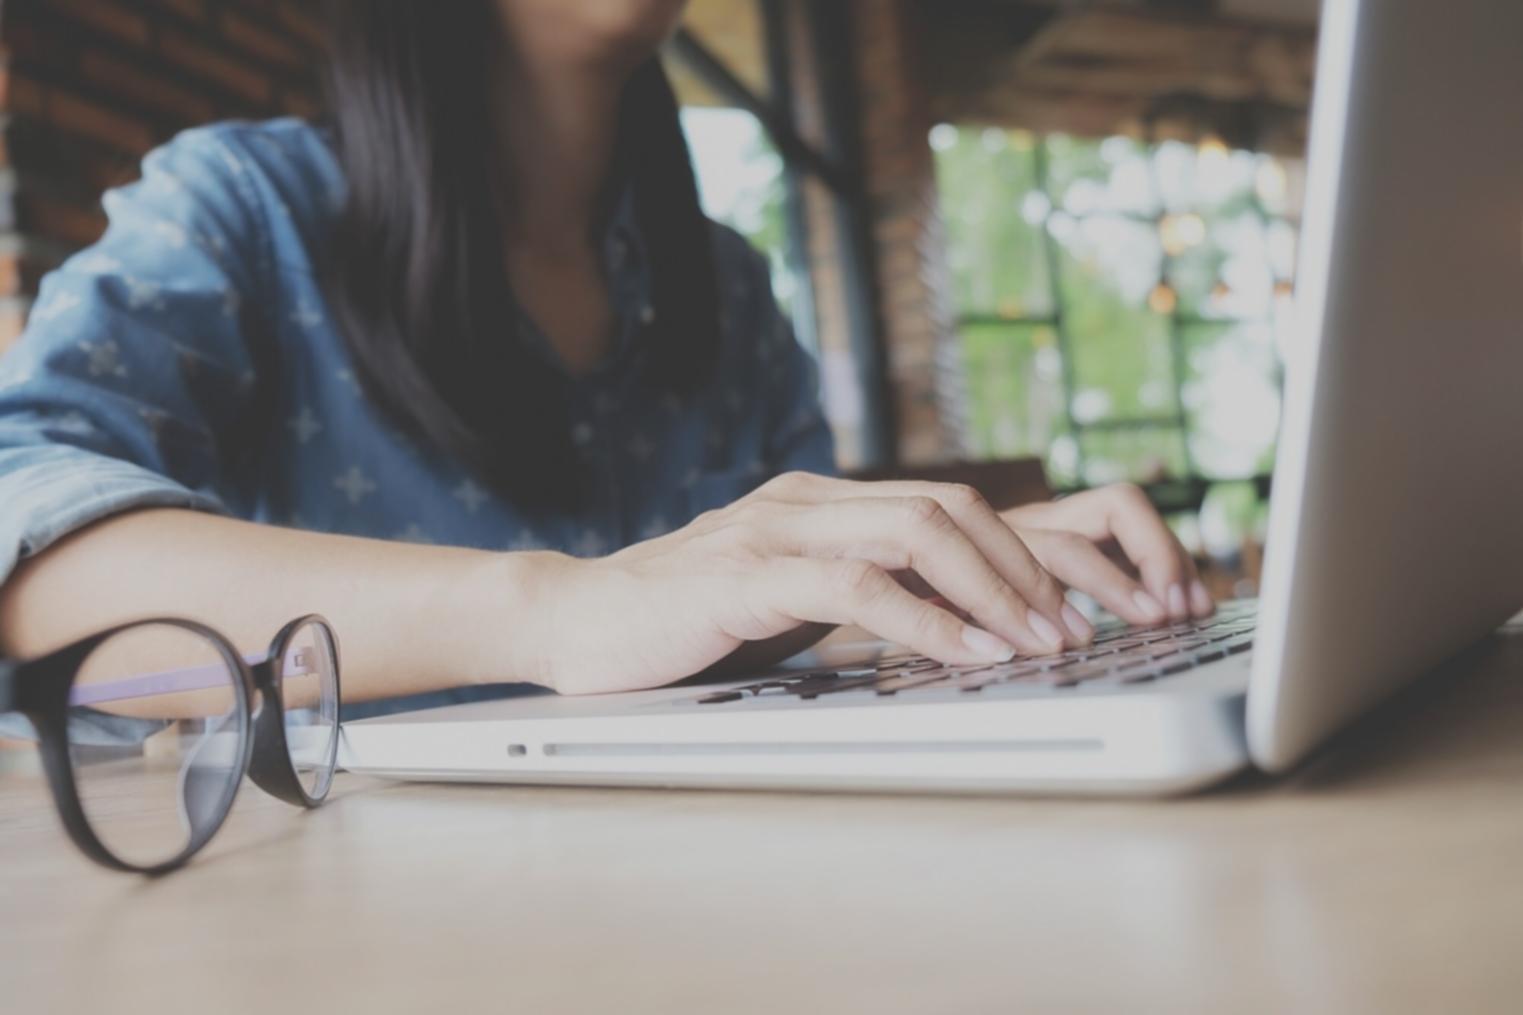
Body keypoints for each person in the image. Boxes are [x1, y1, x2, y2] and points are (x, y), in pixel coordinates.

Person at [0, 0, 1213, 715]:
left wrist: (957, 588)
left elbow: (798, 643)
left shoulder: (729, 295)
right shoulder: (244, 210)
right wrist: (559, 607)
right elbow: (22, 527)